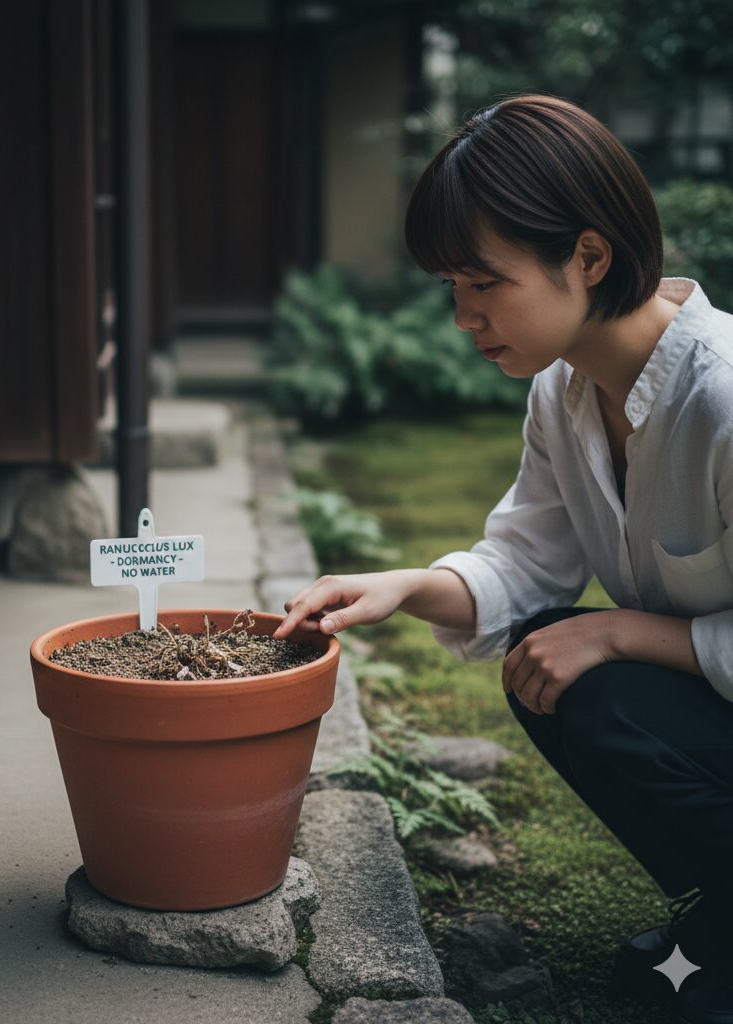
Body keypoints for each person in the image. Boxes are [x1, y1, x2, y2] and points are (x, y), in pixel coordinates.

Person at [273, 94, 733, 1021]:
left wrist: (621, 632)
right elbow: (524, 564)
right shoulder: (566, 393)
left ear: (589, 257)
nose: (463, 317)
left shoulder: (723, 403)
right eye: (452, 288)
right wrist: (401, 587)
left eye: (484, 284)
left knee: (591, 666)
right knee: (557, 664)